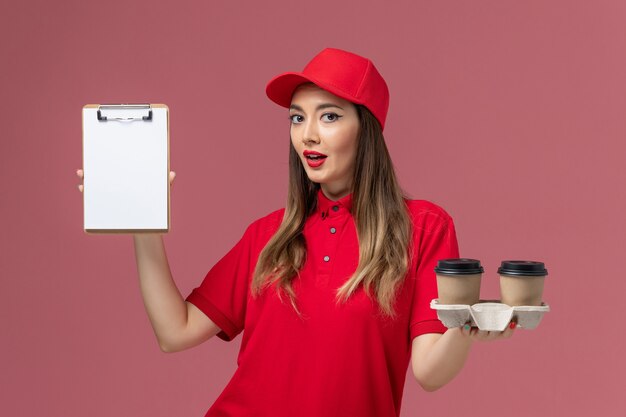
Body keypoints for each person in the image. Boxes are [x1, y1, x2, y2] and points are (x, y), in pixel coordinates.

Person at [76, 47, 515, 417]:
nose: (308, 136)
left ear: (368, 128)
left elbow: (429, 372)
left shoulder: (423, 227)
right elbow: (176, 332)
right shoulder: (267, 236)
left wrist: (465, 326)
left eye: (328, 117)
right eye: (296, 118)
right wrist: (144, 222)